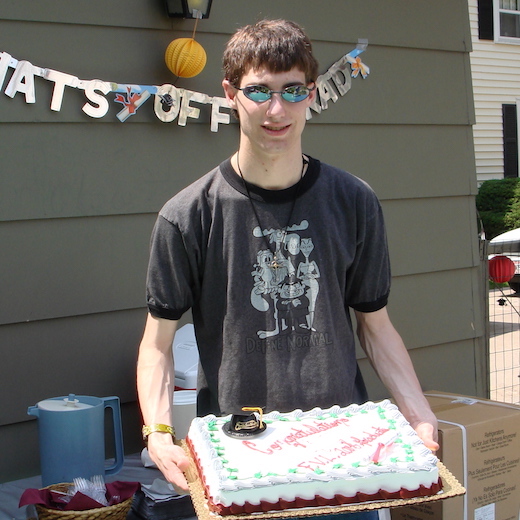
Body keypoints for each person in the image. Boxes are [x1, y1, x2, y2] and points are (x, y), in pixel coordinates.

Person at [137, 19, 439, 520]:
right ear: (231, 94)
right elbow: (157, 344)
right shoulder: (188, 215)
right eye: (259, 91)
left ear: (311, 94)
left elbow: (376, 326)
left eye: (292, 90)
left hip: (346, 459)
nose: (277, 110)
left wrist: (420, 414)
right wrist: (159, 432)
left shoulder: (354, 201)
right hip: (242, 461)